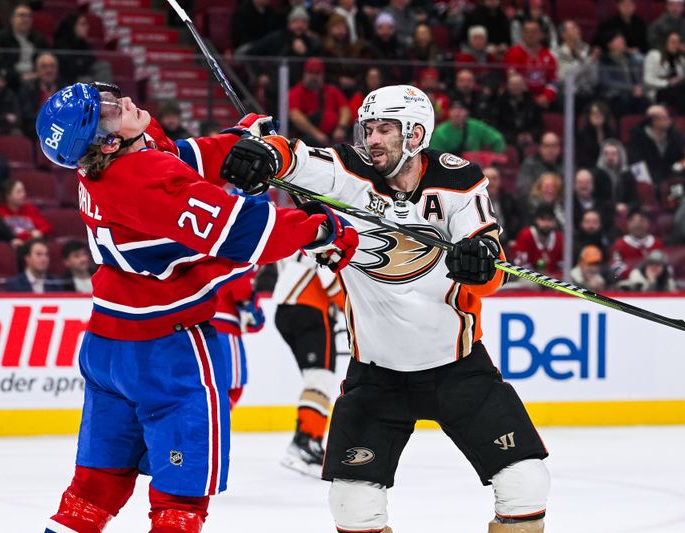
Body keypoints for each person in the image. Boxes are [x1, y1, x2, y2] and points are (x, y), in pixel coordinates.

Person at [222, 85, 550, 533]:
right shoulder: (348, 171)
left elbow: (489, 265)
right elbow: (296, 158)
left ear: (416, 133)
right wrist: (264, 155)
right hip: (377, 375)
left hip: (458, 369)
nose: (372, 138)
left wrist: (478, 263)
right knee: (351, 505)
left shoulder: (459, 180)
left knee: (525, 483)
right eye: (368, 128)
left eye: (385, 129)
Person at [35, 82, 358, 533]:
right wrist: (320, 229)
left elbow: (176, 156)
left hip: (107, 346)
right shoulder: (143, 179)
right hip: (167, 352)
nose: (121, 101)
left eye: (109, 96)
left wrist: (237, 141)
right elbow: (244, 231)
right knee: (179, 505)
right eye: (108, 111)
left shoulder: (108, 165)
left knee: (90, 493)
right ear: (108, 141)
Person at [272, 252, 343, 476]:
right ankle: (306, 442)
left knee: (317, 377)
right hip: (310, 305)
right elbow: (328, 270)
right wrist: (351, 306)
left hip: (288, 307)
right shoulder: (322, 222)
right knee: (320, 378)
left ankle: (306, 441)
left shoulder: (293, 226)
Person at [210, 270, 264, 409]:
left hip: (192, 328)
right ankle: (213, 428)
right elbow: (241, 284)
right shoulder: (236, 254)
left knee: (201, 388)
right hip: (223, 330)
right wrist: (250, 305)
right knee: (231, 388)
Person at [288, 58, 352, 147]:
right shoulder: (295, 92)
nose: (314, 77)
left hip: (333, 137)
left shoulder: (332, 91)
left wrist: (341, 128)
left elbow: (345, 110)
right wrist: (316, 134)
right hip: (307, 139)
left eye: (317, 73)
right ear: (304, 74)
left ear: (322, 75)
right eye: (311, 73)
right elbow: (296, 116)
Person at [503, 18, 558, 109]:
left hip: (543, 98)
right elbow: (513, 79)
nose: (530, 35)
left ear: (541, 35)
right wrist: (533, 99)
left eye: (534, 32)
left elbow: (552, 81)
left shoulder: (548, 55)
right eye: (527, 31)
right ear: (522, 34)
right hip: (521, 98)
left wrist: (547, 96)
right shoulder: (513, 53)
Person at [429, 99, 506, 155]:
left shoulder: (476, 126)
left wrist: (494, 161)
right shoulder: (441, 132)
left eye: (460, 110)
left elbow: (498, 139)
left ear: (467, 113)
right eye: (454, 110)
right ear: (449, 113)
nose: (457, 114)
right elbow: (435, 156)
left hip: (475, 168)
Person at [513, 202, 565, 278]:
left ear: (554, 221)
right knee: (530, 285)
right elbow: (520, 265)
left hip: (553, 279)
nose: (546, 224)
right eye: (542, 219)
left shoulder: (559, 237)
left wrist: (554, 276)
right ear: (536, 220)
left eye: (550, 220)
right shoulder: (526, 235)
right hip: (530, 278)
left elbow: (563, 265)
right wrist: (539, 277)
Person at [610, 209, 664, 279]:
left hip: (656, 280)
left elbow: (665, 264)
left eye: (642, 221)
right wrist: (636, 274)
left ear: (648, 223)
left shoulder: (657, 243)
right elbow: (616, 267)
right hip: (630, 282)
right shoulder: (619, 244)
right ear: (628, 224)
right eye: (633, 222)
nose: (638, 225)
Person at [516, 131, 562, 201]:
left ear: (559, 148)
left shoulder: (566, 166)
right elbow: (524, 190)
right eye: (546, 146)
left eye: (554, 146)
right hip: (535, 207)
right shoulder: (529, 165)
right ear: (540, 148)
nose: (550, 150)